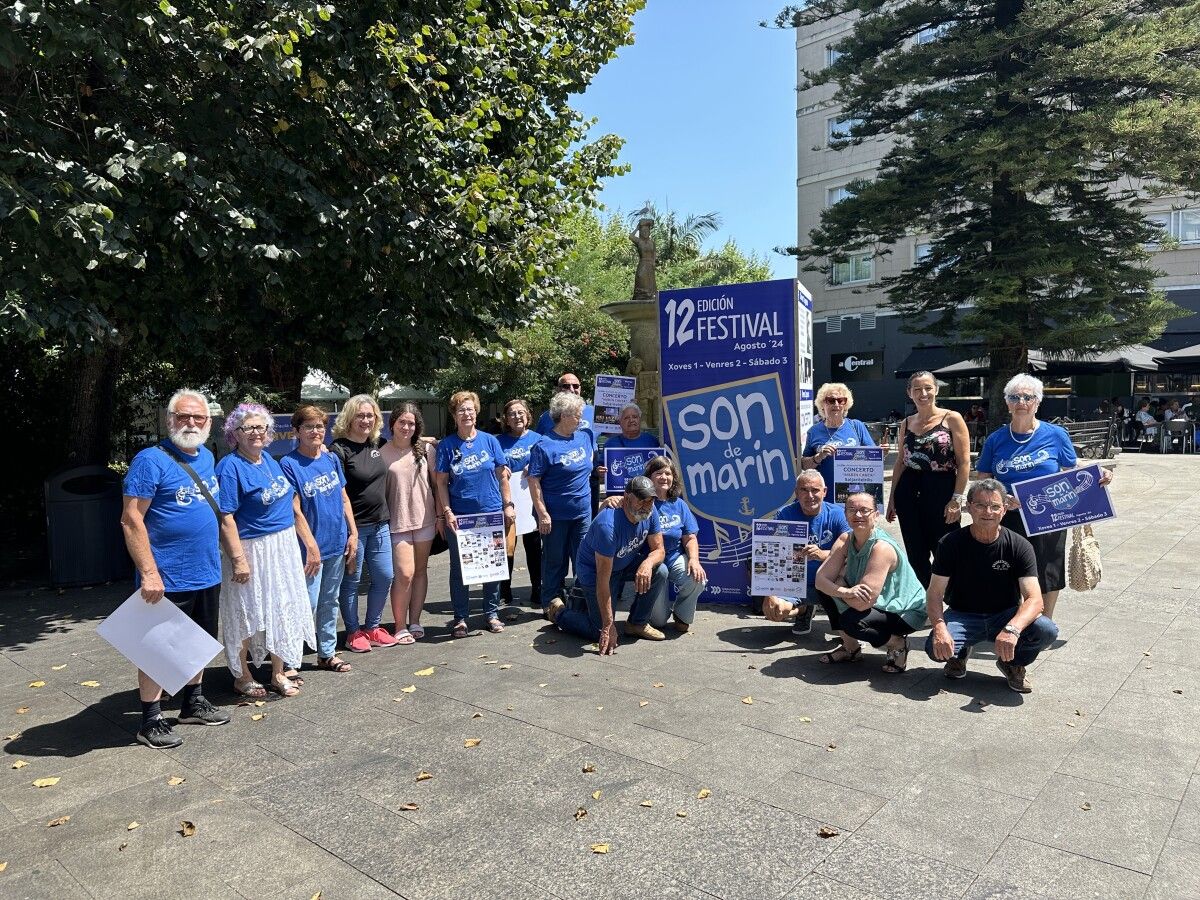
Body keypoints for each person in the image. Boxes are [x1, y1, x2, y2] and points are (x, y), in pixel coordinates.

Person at [121, 389, 232, 749]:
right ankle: (150, 719)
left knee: (196, 643)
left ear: (208, 423)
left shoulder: (207, 457)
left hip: (206, 570)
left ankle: (192, 702)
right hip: (167, 575)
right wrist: (150, 573)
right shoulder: (150, 460)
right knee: (157, 649)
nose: (190, 423)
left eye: (197, 418)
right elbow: (131, 518)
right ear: (169, 421)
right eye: (182, 417)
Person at [977, 374, 1112, 620]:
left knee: (1049, 568)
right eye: (1015, 397)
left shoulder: (1056, 434)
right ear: (1007, 402)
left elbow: (1070, 466)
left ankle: (1044, 623)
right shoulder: (996, 439)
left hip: (1050, 515)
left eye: (1028, 397)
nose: (1021, 402)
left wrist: (1097, 471)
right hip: (1008, 515)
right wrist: (1003, 497)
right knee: (1008, 568)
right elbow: (984, 476)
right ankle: (1014, 618)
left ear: (1037, 402)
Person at [215, 403, 318, 699]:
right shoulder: (230, 466)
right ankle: (242, 675)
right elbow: (226, 518)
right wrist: (238, 560)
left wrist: (307, 542)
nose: (256, 433)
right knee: (246, 612)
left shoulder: (271, 462)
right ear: (235, 434)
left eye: (261, 427)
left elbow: (291, 504)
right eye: (248, 428)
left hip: (282, 546)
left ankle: (278, 671)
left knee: (279, 608)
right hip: (252, 549)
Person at [925, 480, 1059, 693]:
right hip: (963, 614)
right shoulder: (950, 543)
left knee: (1046, 630)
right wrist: (940, 628)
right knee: (934, 647)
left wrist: (1012, 629)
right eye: (980, 505)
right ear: (968, 507)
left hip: (1004, 614)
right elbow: (934, 593)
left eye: (995, 506)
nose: (988, 512)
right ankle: (958, 654)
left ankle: (1013, 663)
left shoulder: (1019, 545)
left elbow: (1035, 599)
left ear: (1004, 510)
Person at [546, 476, 668, 650]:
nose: (646, 506)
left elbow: (659, 550)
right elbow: (603, 581)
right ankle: (559, 612)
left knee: (660, 570)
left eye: (650, 501)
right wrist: (608, 625)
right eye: (641, 501)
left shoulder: (650, 511)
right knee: (598, 630)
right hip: (595, 572)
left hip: (624, 563)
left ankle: (637, 623)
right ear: (626, 498)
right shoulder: (608, 526)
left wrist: (647, 563)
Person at [280, 405, 357, 675]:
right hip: (309, 549)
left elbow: (344, 497)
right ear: (297, 431)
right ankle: (290, 659)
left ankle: (326, 653)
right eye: (309, 427)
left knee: (329, 600)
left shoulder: (331, 459)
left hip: (337, 543)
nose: (316, 431)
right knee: (305, 604)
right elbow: (294, 509)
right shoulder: (289, 464)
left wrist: (353, 533)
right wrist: (310, 545)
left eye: (320, 426)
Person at [814, 492, 927, 672]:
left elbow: (862, 603)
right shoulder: (845, 539)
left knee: (852, 620)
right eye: (852, 510)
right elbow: (820, 580)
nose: (858, 515)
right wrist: (844, 591)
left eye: (864, 510)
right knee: (825, 590)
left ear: (876, 514)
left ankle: (897, 643)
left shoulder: (881, 548)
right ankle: (851, 648)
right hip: (869, 601)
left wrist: (840, 586)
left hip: (904, 610)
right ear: (845, 515)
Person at [434, 391, 516, 636]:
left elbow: (503, 475)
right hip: (461, 518)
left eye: (470, 409)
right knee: (460, 569)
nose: (466, 414)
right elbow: (440, 483)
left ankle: (491, 613)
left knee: (492, 567)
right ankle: (461, 618)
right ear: (454, 415)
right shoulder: (447, 445)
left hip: (490, 514)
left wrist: (507, 504)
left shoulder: (490, 441)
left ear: (476, 411)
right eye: (461, 410)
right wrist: (447, 511)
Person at [600, 455, 707, 632]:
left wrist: (694, 560)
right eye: (659, 473)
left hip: (673, 557)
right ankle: (646, 610)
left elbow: (690, 538)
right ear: (649, 477)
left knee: (697, 579)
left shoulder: (679, 504)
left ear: (674, 478)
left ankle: (682, 614)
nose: (664, 477)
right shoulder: (637, 500)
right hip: (647, 562)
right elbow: (607, 517)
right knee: (658, 622)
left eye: (668, 473)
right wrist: (606, 502)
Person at [885, 372, 970, 586]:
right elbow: (901, 462)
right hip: (909, 490)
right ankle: (928, 604)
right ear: (909, 393)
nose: (923, 393)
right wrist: (892, 498)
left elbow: (964, 463)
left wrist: (956, 499)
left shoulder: (951, 418)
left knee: (946, 548)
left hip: (941, 488)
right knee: (916, 553)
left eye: (928, 388)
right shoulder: (907, 422)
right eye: (917, 389)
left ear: (936, 389)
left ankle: (956, 600)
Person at [331, 395, 398, 653]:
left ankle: (373, 627)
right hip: (354, 529)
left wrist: (431, 441)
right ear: (349, 417)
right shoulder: (338, 450)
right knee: (351, 582)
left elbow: (403, 444)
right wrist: (350, 530)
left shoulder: (377, 444)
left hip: (381, 523)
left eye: (370, 415)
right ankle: (352, 631)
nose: (366, 420)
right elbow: (339, 492)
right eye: (360, 415)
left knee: (384, 576)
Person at [528, 392, 596, 611]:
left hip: (583, 512)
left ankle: (581, 600)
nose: (581, 418)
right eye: (578, 414)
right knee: (554, 561)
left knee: (583, 559)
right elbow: (534, 480)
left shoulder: (584, 436)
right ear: (565, 415)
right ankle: (551, 602)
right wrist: (542, 513)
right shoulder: (544, 445)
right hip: (555, 515)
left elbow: (589, 467)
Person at [761, 471, 851, 635]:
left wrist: (822, 554)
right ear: (796, 493)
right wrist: (770, 592)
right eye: (804, 490)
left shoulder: (837, 514)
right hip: (795, 583)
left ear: (824, 491)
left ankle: (846, 626)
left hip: (830, 582)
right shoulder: (784, 514)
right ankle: (803, 610)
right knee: (776, 611)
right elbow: (769, 553)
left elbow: (853, 551)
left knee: (846, 629)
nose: (810, 496)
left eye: (815, 490)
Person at [381, 402, 438, 643]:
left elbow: (437, 484)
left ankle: (415, 620)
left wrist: (442, 516)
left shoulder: (426, 450)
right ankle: (400, 625)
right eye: (402, 422)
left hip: (425, 518)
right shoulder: (381, 453)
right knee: (405, 573)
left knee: (421, 572)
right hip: (396, 521)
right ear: (392, 423)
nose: (406, 427)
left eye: (411, 423)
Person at [496, 398, 543, 609]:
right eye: (512, 413)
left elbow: (548, 462)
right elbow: (493, 464)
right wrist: (499, 468)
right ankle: (504, 591)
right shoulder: (498, 441)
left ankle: (538, 590)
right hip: (509, 501)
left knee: (534, 548)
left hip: (531, 500)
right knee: (508, 547)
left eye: (520, 412)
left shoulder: (539, 439)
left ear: (528, 415)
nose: (517, 417)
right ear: (506, 419)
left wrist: (536, 464)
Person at [801, 383, 876, 501]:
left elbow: (874, 460)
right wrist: (819, 456)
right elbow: (804, 465)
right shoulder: (814, 431)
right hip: (824, 498)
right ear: (822, 405)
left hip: (853, 495)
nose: (836, 404)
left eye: (841, 400)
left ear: (845, 405)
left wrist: (883, 452)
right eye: (830, 400)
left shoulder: (857, 426)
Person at [536, 371, 595, 436]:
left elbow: (606, 435)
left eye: (576, 386)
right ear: (558, 389)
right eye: (566, 386)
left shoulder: (594, 412)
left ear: (580, 389)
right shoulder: (546, 417)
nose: (572, 390)